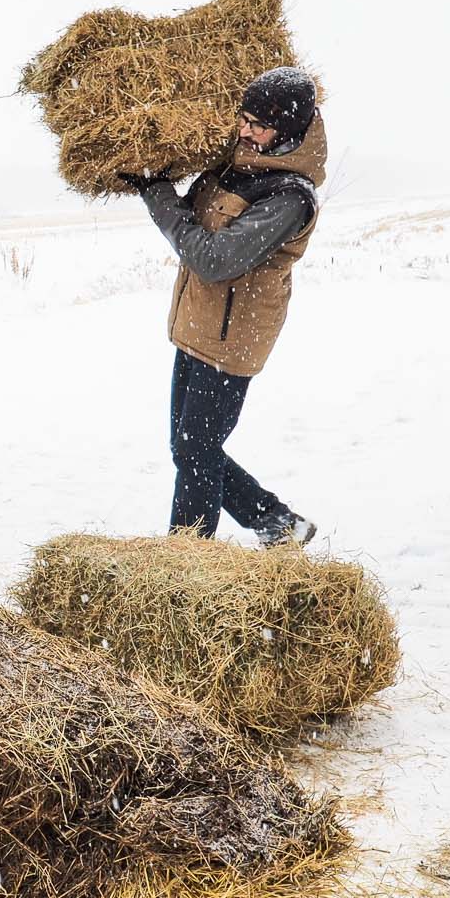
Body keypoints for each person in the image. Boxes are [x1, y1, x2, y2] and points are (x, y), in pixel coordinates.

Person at [125, 66, 326, 545]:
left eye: (259, 124)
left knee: (196, 448)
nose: (246, 129)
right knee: (188, 446)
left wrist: (156, 196)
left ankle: (187, 560)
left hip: (234, 338)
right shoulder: (240, 163)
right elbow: (194, 213)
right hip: (198, 324)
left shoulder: (288, 197)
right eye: (244, 118)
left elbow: (215, 260)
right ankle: (278, 523)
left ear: (289, 131)